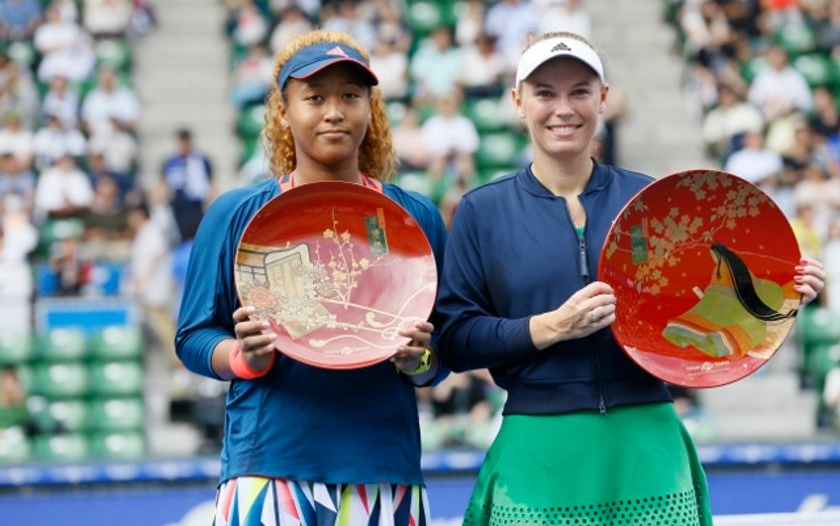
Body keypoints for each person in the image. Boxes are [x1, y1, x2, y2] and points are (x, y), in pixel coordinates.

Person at [435, 32, 827, 526]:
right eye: (544, 93)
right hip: (539, 450)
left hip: (649, 447)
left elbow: (703, 314)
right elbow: (456, 340)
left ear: (602, 98)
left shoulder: (651, 200)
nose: (563, 108)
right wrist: (551, 326)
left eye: (579, 91)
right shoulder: (482, 211)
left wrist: (778, 293)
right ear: (518, 102)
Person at [175, 30, 447, 524]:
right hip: (268, 467)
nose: (334, 111)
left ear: (371, 106)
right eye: (315, 97)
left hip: (383, 469)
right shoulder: (236, 213)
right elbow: (192, 337)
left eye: (350, 95)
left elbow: (444, 353)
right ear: (283, 111)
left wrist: (419, 359)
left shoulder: (415, 217)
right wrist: (242, 355)